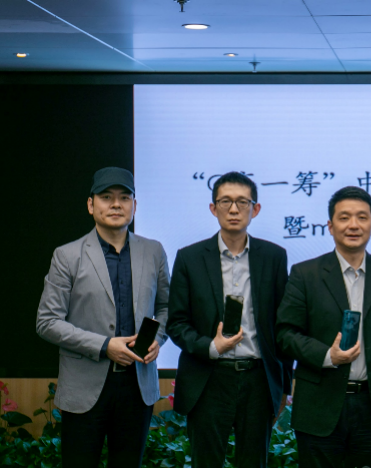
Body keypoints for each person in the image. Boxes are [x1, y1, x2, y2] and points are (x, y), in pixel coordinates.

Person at [36, 167, 170, 468]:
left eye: (124, 197)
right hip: (84, 387)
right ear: (90, 204)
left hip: (137, 388)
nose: (116, 204)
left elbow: (167, 308)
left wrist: (158, 339)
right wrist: (105, 345)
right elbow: (47, 322)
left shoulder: (154, 251)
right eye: (106, 197)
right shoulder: (67, 255)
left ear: (134, 205)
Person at [276, 186, 371, 468]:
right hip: (319, 404)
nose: (353, 225)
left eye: (362, 217)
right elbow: (285, 334)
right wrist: (328, 355)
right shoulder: (305, 274)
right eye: (344, 217)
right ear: (330, 226)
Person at [166, 171, 292, 468]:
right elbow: (177, 323)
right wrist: (211, 347)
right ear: (213, 208)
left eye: (242, 202)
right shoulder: (189, 258)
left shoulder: (274, 257)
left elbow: (283, 327)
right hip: (208, 379)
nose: (234, 209)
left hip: (258, 380)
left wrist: (283, 386)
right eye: (225, 201)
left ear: (255, 209)